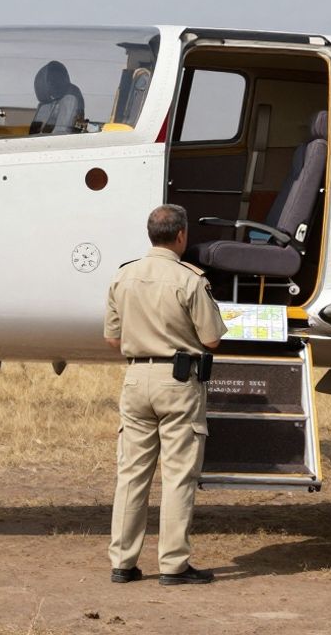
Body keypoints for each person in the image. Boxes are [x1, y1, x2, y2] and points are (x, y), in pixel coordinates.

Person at [104, 204, 227, 586]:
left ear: (149, 235)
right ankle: (173, 565)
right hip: (178, 382)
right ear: (181, 236)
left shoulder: (123, 276)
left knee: (132, 475)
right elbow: (211, 338)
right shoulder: (190, 279)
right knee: (177, 477)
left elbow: (112, 337)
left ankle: (122, 563)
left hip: (136, 378)